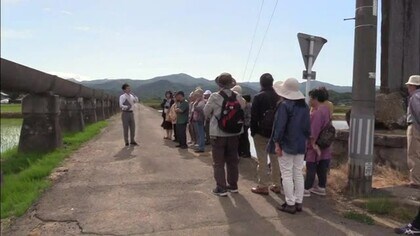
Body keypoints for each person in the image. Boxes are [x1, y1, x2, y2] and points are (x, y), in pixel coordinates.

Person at [267, 78, 310, 214]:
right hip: (300, 144)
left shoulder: (284, 105)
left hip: (286, 143)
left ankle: (290, 203)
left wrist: (277, 143)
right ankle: (298, 202)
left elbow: (279, 127)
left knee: (286, 174)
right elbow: (307, 129)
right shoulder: (305, 107)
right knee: (298, 173)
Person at [204, 73, 245, 197]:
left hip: (218, 133)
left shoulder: (214, 96)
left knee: (218, 162)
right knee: (233, 161)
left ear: (219, 84)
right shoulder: (237, 96)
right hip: (234, 133)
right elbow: (243, 106)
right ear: (231, 83)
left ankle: (221, 188)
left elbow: (206, 112)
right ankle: (233, 186)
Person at [250, 73, 282, 195]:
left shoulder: (258, 97)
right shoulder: (279, 97)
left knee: (262, 160)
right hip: (275, 134)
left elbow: (254, 117)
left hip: (260, 132)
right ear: (272, 83)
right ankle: (277, 185)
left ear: (261, 83)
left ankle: (263, 186)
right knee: (275, 160)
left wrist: (253, 132)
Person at [304, 88, 333, 197]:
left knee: (311, 166)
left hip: (316, 145)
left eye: (311, 98)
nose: (310, 101)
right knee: (322, 167)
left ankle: (306, 188)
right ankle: (321, 187)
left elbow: (313, 131)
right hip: (325, 143)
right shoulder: (326, 110)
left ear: (315, 98)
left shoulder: (317, 112)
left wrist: (313, 144)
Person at [406, 75, 420, 188]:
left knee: (413, 154)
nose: (408, 88)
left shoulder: (415, 97)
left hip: (415, 127)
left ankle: (416, 181)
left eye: (410, 85)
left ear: (414, 86)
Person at [192, 88, 206, 153]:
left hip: (200, 119)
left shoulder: (202, 101)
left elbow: (199, 108)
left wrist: (195, 106)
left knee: (201, 133)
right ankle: (200, 146)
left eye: (197, 94)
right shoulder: (199, 101)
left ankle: (201, 147)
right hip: (197, 118)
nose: (196, 95)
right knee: (199, 133)